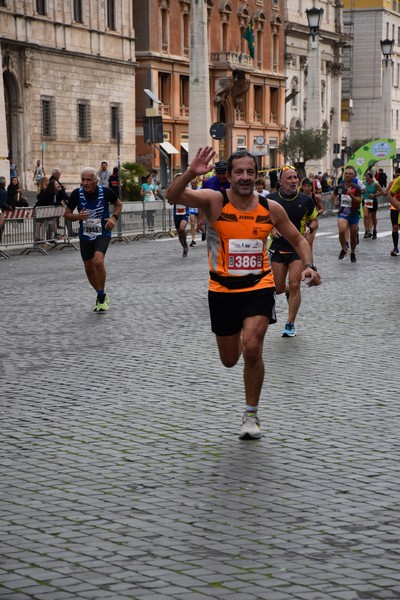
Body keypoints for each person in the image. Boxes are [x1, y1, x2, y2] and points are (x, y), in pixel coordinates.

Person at [166, 146, 321, 440]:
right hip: (222, 289)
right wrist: (190, 173)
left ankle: (251, 414)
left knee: (252, 347)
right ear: (229, 175)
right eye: (240, 172)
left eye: (251, 171)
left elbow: (299, 239)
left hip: (257, 286)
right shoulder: (215, 201)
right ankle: (240, 332)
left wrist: (310, 265)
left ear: (257, 175)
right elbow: (172, 196)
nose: (246, 177)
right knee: (229, 360)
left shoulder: (269, 208)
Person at [268, 169, 319, 338]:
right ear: (281, 181)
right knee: (278, 287)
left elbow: (315, 220)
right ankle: (289, 290)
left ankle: (290, 323)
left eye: (295, 177)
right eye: (289, 178)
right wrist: (272, 227)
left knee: (296, 284)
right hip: (278, 247)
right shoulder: (271, 199)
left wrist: (310, 228)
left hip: (296, 250)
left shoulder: (305, 200)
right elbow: (263, 219)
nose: (293, 181)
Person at [64, 167, 122, 312]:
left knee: (98, 261)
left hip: (103, 231)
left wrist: (114, 218)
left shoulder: (106, 192)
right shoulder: (77, 194)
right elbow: (67, 213)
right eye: (83, 179)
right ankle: (101, 294)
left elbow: (119, 205)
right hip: (86, 233)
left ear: (96, 181)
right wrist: (78, 217)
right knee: (89, 268)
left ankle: (101, 298)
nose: (85, 183)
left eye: (88, 180)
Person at [332, 165, 362, 263]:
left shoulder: (357, 188)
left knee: (353, 236)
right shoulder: (339, 187)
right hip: (343, 213)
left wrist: (351, 195)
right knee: (341, 230)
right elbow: (334, 194)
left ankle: (352, 252)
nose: (347, 175)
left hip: (353, 215)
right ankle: (344, 249)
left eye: (350, 174)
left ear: (353, 176)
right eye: (346, 174)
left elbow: (358, 201)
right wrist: (335, 201)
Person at [362, 171, 383, 239]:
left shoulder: (375, 184)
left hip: (373, 201)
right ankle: (366, 230)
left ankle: (374, 230)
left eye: (368, 178)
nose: (367, 180)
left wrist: (375, 195)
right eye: (366, 178)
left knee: (373, 216)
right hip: (365, 200)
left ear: (371, 179)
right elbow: (360, 190)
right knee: (365, 216)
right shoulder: (363, 183)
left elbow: (382, 192)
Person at [385, 167, 400, 256]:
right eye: (397, 175)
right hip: (395, 207)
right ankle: (396, 247)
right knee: (395, 227)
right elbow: (388, 193)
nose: (397, 177)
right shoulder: (394, 182)